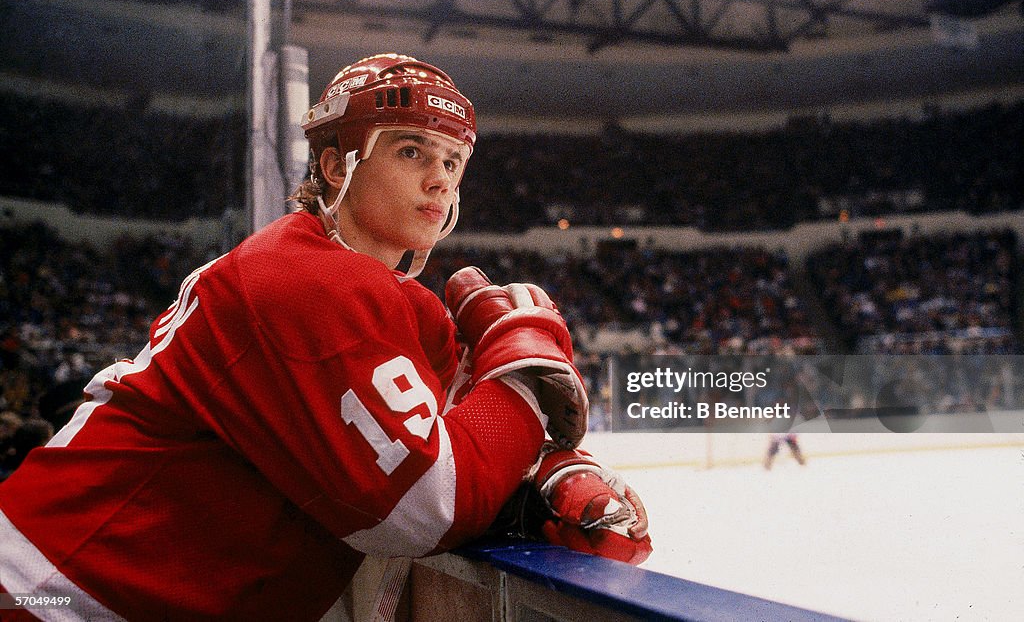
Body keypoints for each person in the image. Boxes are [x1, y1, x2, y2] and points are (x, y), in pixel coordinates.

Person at [0, 53, 649, 621]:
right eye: (411, 150)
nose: (440, 178)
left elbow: (452, 453)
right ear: (338, 165)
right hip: (48, 594)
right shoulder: (306, 278)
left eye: (452, 160)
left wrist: (540, 481)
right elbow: (427, 504)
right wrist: (524, 374)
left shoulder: (380, 301)